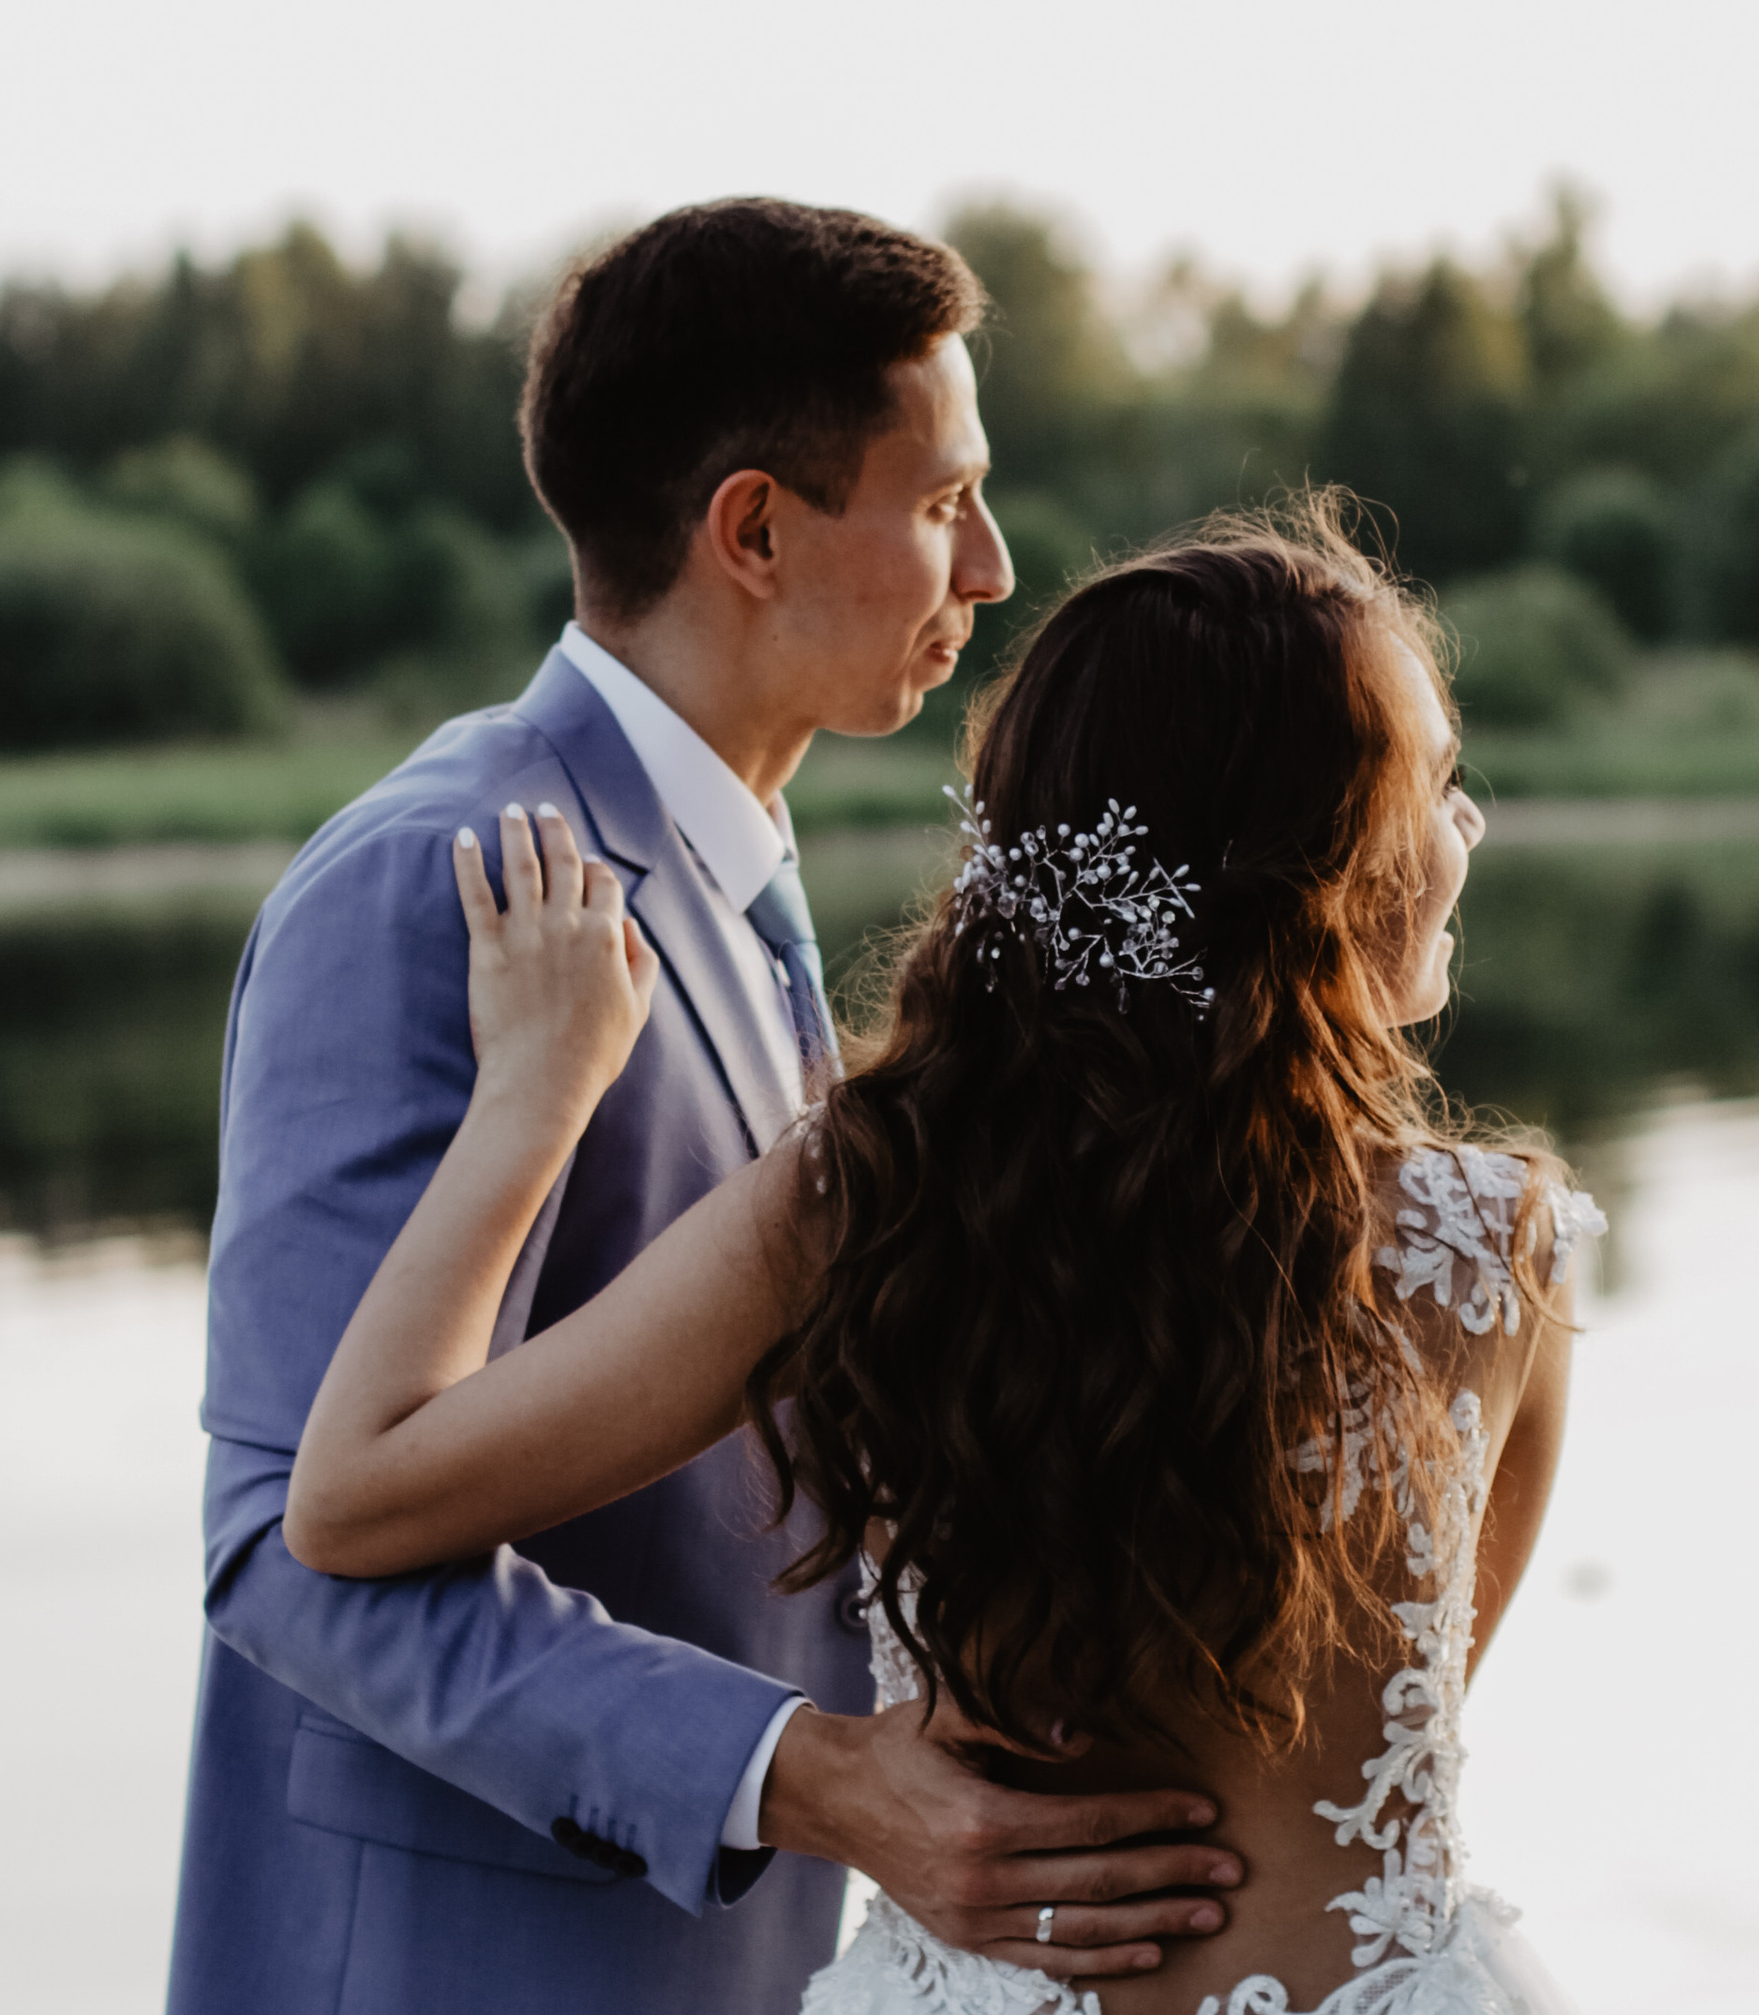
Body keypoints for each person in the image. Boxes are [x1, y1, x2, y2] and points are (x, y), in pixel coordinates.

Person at [287, 501, 1604, 2014]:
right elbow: (1409, 1721)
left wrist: (531, 1102)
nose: (1467, 829)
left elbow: (351, 1494)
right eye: (1437, 786)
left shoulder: (869, 1201)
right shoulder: (1497, 1254)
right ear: (1320, 861)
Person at [166, 199, 1251, 2015]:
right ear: (754, 527)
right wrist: (812, 1778)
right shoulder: (446, 882)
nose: (989, 568)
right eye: (939, 502)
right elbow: (291, 1554)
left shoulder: (727, 875)